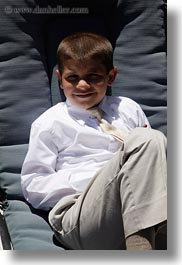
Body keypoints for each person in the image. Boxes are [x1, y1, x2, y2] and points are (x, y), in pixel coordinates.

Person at [21, 32, 167, 250]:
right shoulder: (50, 123)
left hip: (132, 208)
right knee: (148, 139)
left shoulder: (128, 108)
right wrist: (98, 178)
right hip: (80, 217)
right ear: (60, 79)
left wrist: (129, 178)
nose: (82, 85)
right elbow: (33, 184)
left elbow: (150, 161)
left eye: (93, 77)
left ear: (111, 77)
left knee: (153, 141)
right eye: (72, 78)